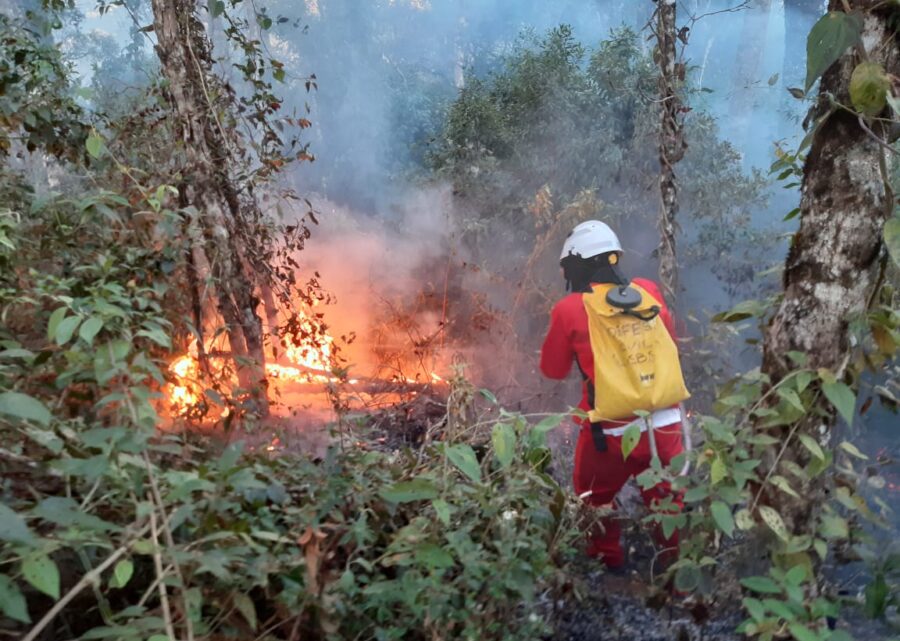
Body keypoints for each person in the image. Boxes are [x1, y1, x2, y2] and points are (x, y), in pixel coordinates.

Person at [540, 220, 687, 570]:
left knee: (595, 498)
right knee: (667, 503)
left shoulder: (570, 309)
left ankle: (608, 564)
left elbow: (553, 370)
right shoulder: (649, 290)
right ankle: (674, 573)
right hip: (667, 425)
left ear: (576, 265)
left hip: (608, 433)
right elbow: (668, 339)